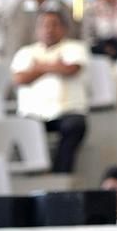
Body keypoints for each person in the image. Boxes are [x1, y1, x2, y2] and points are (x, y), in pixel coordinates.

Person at [11, 10, 90, 173]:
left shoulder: (74, 48)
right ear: (37, 29)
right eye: (45, 25)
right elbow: (20, 78)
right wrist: (55, 66)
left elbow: (71, 69)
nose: (49, 29)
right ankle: (36, 173)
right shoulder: (26, 52)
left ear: (63, 29)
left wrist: (39, 67)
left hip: (67, 110)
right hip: (34, 113)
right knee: (24, 128)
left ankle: (61, 173)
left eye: (54, 25)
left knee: (76, 126)